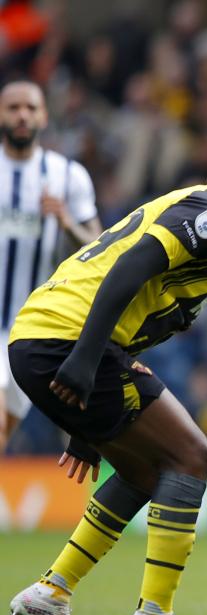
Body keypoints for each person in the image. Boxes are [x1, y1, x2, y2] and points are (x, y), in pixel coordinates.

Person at [7, 137, 207, 615]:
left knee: (144, 470)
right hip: (68, 341)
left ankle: (51, 594)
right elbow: (130, 267)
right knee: (192, 458)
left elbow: (137, 294)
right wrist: (85, 361)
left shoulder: (186, 205)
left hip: (44, 337)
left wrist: (88, 426)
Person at [0, 80, 102, 450]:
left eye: (30, 107)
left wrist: (66, 222)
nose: (22, 115)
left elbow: (98, 246)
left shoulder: (67, 176)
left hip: (32, 329)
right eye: (13, 107)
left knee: (3, 433)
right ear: (1, 115)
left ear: (43, 115)